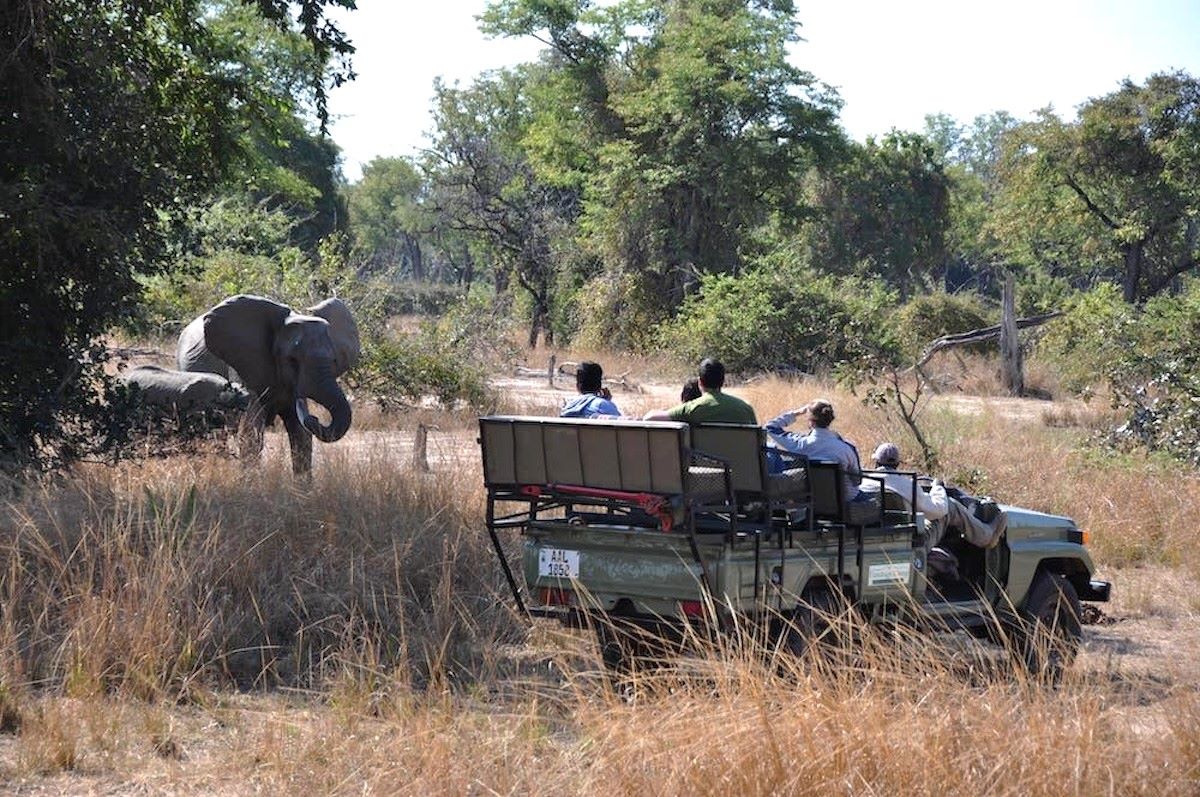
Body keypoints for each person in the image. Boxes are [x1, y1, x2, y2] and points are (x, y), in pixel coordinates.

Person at [764, 399, 865, 503]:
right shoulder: (847, 448)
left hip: (811, 501)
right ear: (830, 420)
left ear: (810, 421)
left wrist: (797, 413)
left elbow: (771, 427)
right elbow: (857, 481)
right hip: (844, 501)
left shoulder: (800, 444)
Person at [643, 358, 756, 424]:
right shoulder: (745, 408)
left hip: (702, 465)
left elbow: (649, 418)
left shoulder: (692, 408)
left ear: (700, 382)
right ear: (723, 381)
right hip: (742, 464)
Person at [864, 442, 948, 521]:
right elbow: (938, 510)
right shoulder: (908, 486)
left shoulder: (864, 482)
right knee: (946, 513)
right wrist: (938, 488)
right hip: (905, 532)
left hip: (871, 527)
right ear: (897, 464)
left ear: (876, 463)